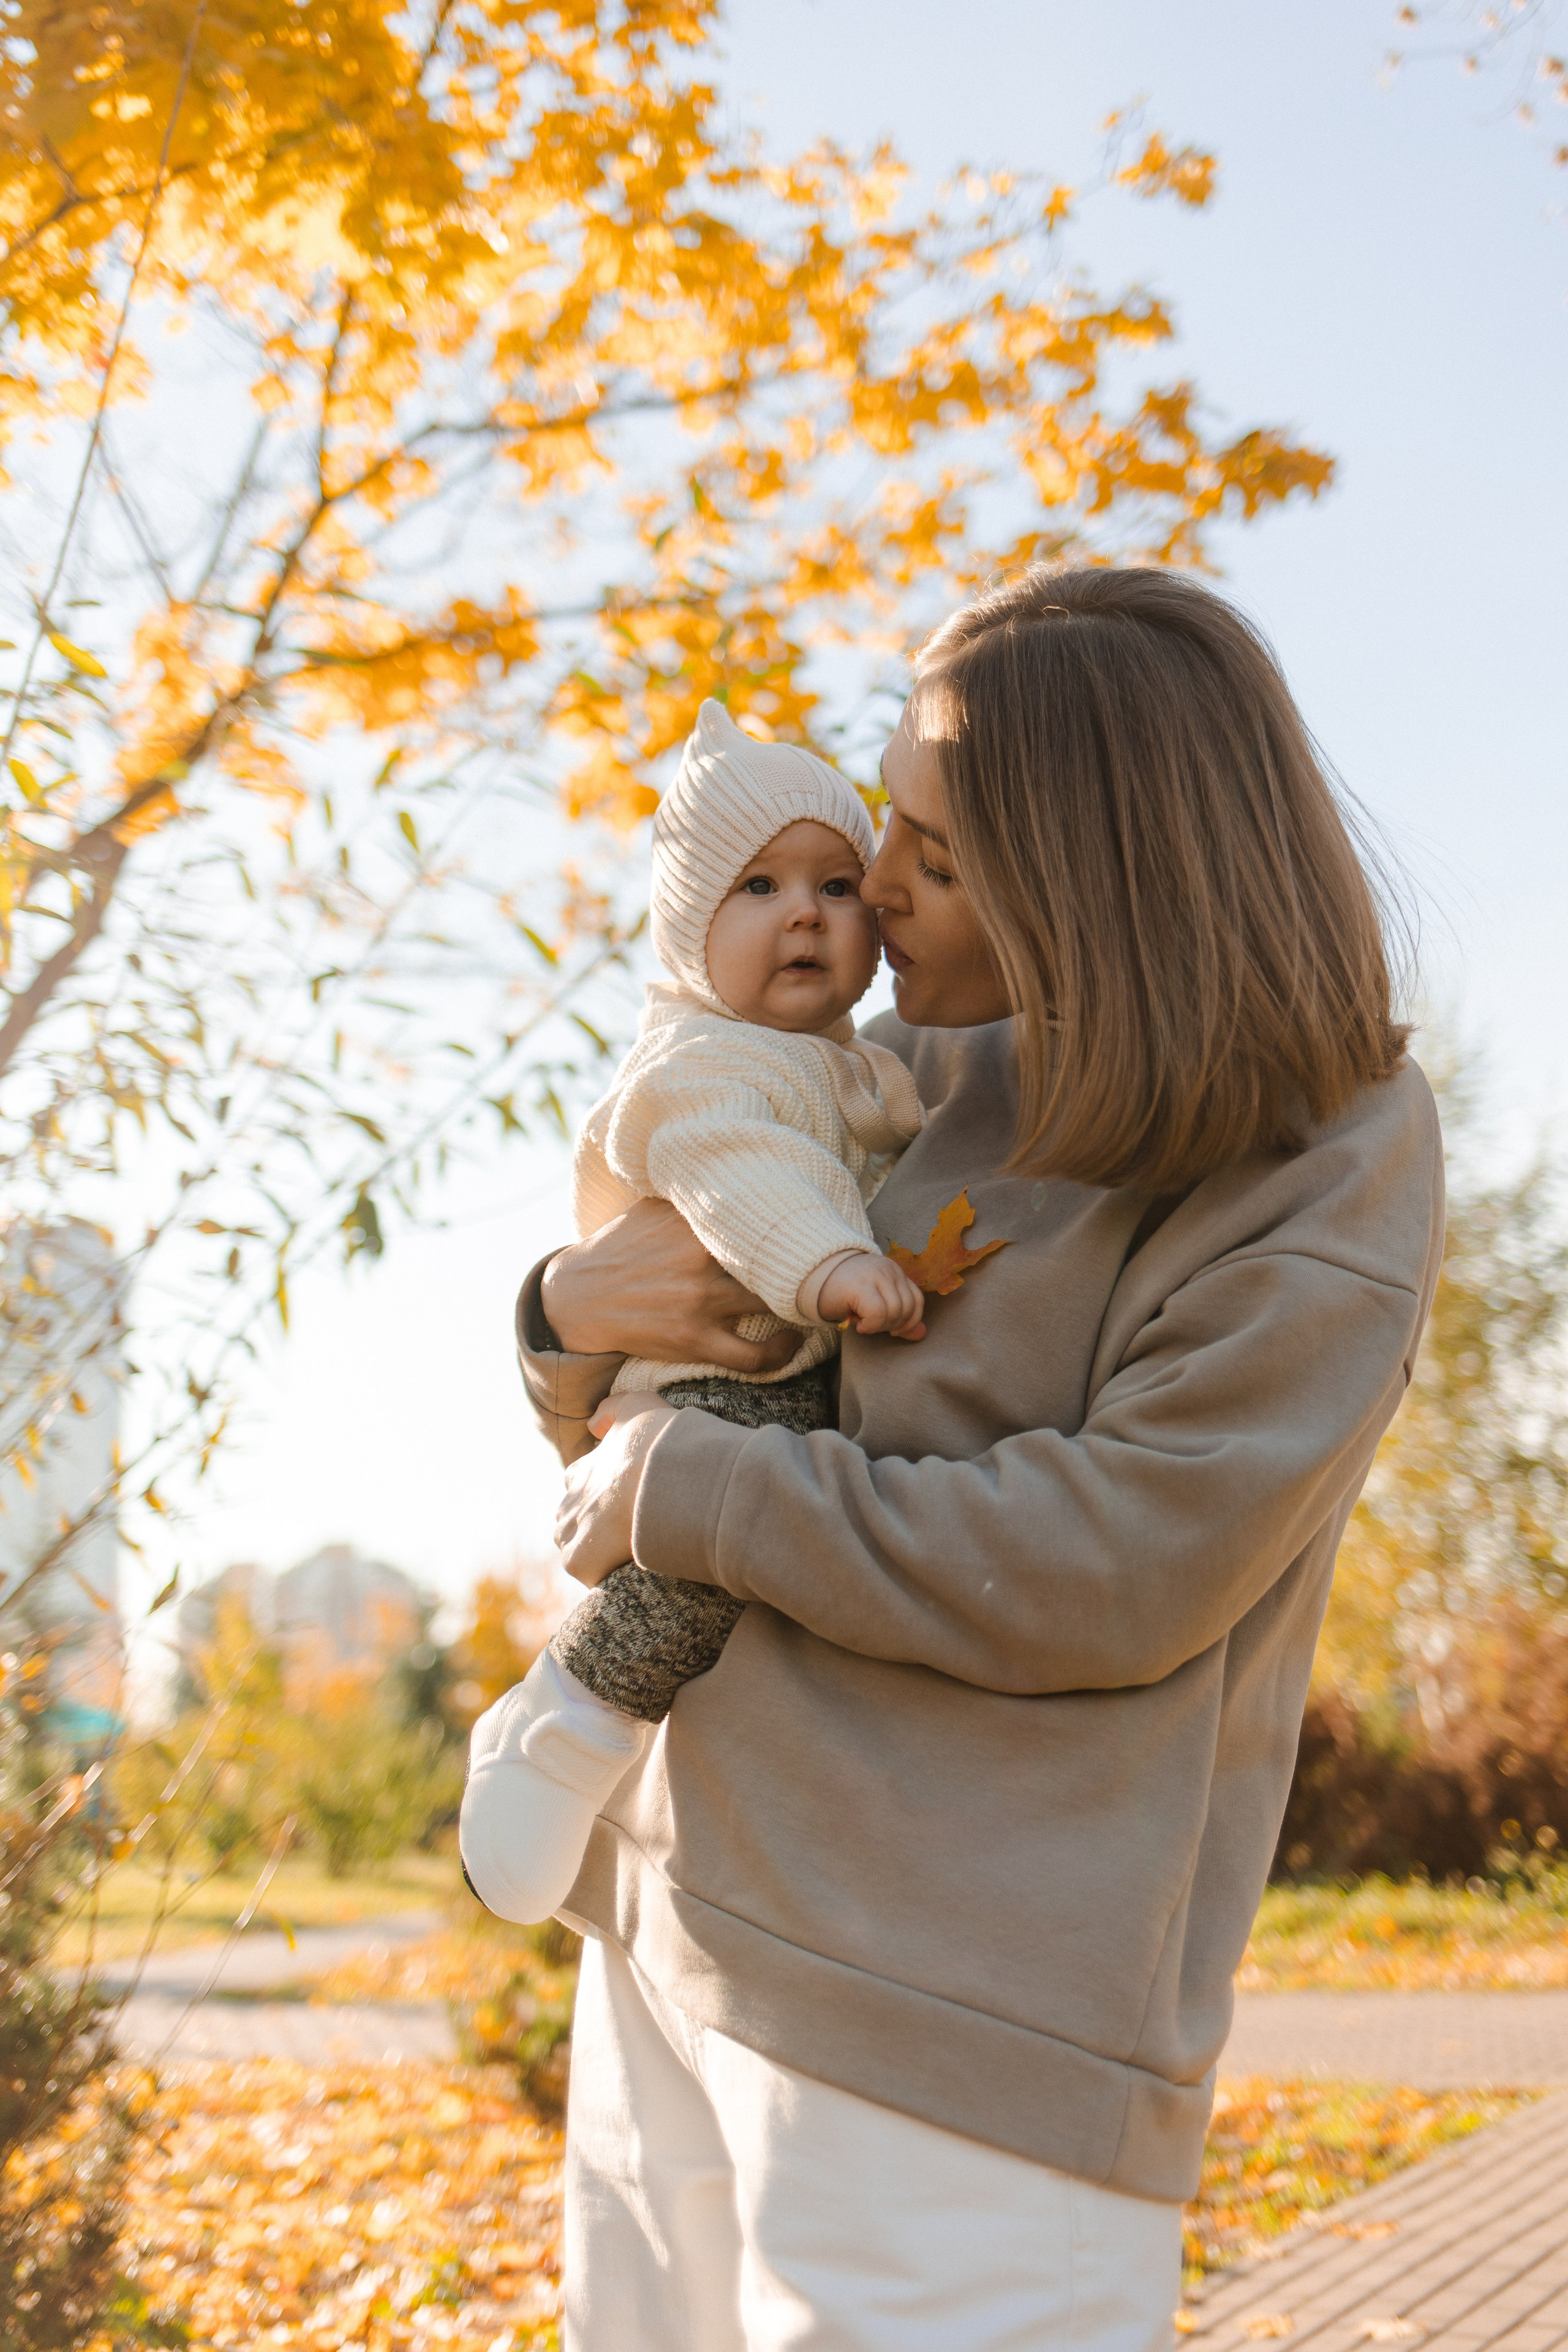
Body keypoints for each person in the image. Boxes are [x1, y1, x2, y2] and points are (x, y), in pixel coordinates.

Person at [524, 567, 1445, 2352]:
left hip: (952, 2025)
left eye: (935, 858)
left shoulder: (1316, 1149)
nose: (869, 887)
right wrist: (558, 1317)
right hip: (673, 1920)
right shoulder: (875, 1075)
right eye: (889, 823)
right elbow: (652, 1412)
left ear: (1102, 885)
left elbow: (1121, 1562)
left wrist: (697, 1490)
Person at [461, 701, 925, 1927]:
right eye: (759, 886)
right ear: (685, 930)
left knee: (750, 1545)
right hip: (705, 1383)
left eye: (836, 885)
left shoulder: (850, 1060)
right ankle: (571, 1718)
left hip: (779, 1370)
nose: (805, 914)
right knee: (705, 1548)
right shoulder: (703, 1064)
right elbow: (738, 1177)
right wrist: (833, 1264)